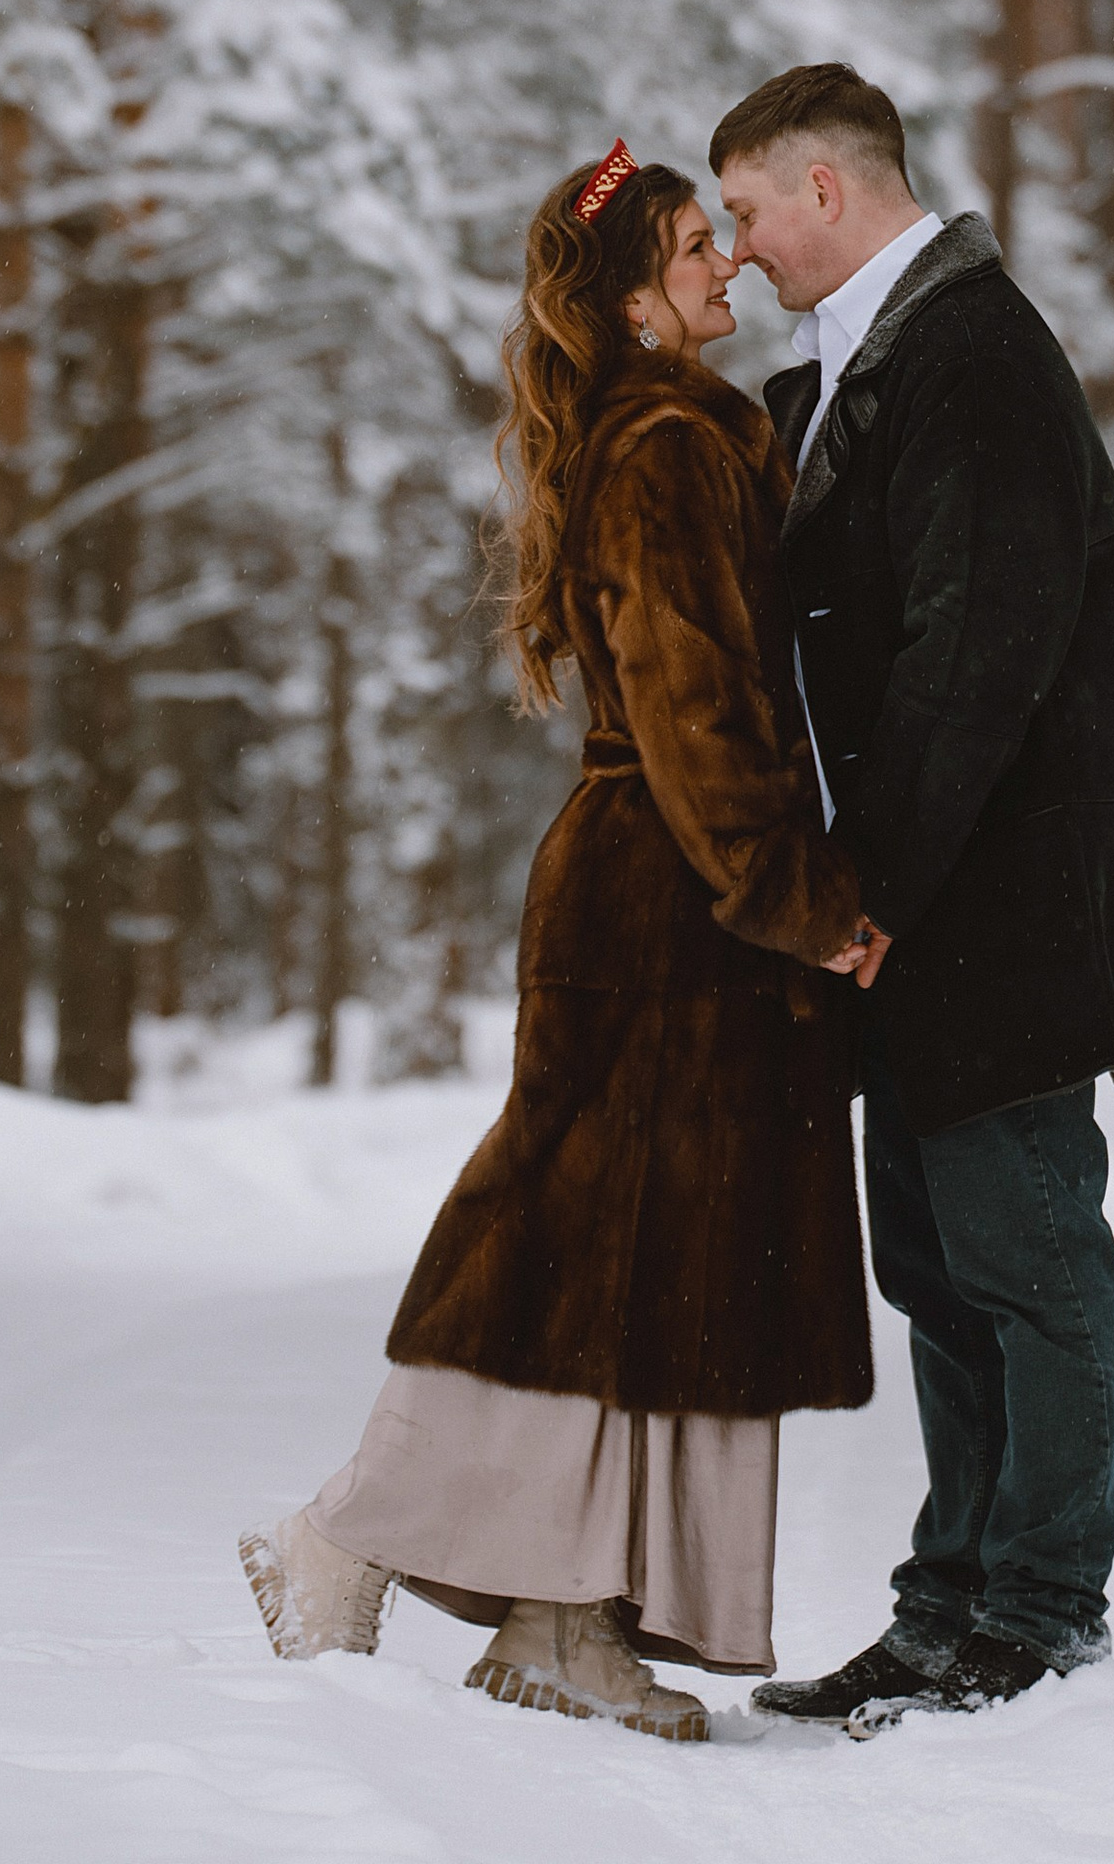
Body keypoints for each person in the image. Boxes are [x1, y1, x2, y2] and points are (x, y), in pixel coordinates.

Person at [239, 143, 877, 1743]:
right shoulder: (665, 445)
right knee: (564, 1245)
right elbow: (692, 706)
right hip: (663, 900)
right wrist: (803, 899)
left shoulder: (671, 433)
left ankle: (562, 1625)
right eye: (692, 249)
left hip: (672, 902)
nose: (725, 266)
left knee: (638, 1269)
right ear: (637, 299)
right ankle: (349, 1534)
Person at [712, 61, 1114, 1732]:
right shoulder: (848, 372)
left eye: (747, 212)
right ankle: (947, 1602)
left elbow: (977, 650)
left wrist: (872, 886)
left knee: (1031, 1263)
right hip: (905, 912)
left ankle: (1043, 1614)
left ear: (825, 187)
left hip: (1000, 910)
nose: (739, 252)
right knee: (938, 1272)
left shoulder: (973, 355)